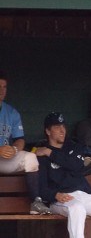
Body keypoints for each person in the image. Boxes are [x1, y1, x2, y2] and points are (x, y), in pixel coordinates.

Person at [36, 112, 91, 238]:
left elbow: (75, 165)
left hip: (84, 196)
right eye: (57, 127)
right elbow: (41, 188)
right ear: (48, 131)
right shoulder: (41, 156)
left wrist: (50, 152)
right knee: (77, 208)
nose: (62, 130)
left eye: (63, 126)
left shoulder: (74, 146)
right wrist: (55, 195)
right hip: (60, 199)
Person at [0, 71, 51, 215]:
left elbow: (20, 139)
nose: (1, 90)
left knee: (30, 157)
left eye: (4, 87)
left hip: (4, 159)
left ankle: (36, 202)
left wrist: (14, 150)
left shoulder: (11, 112)